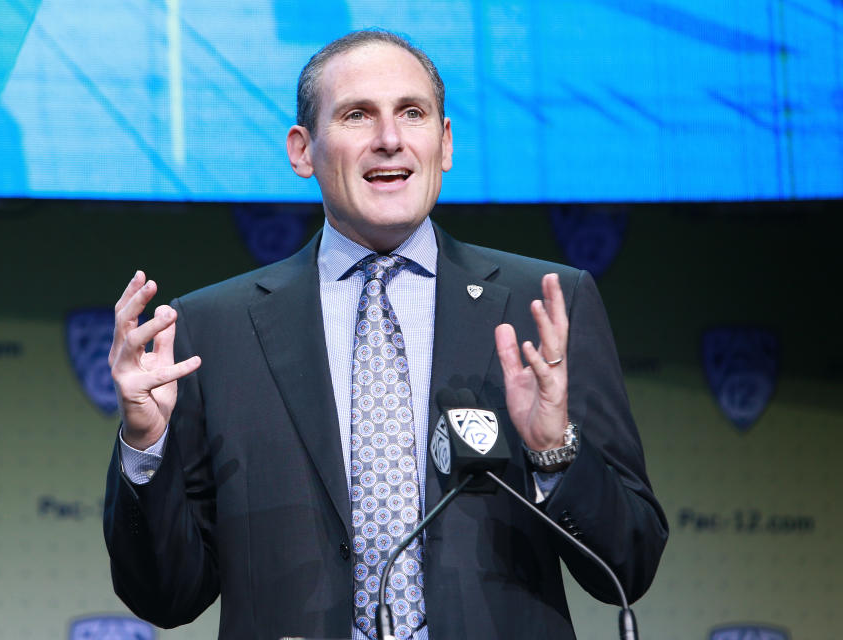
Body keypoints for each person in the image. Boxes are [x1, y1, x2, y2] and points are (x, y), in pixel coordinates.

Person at [103, 29, 667, 640]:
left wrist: (554, 451)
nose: (390, 139)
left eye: (412, 113)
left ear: (444, 143)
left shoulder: (544, 305)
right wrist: (145, 443)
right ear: (302, 151)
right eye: (357, 116)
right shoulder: (215, 328)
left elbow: (629, 564)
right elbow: (166, 597)